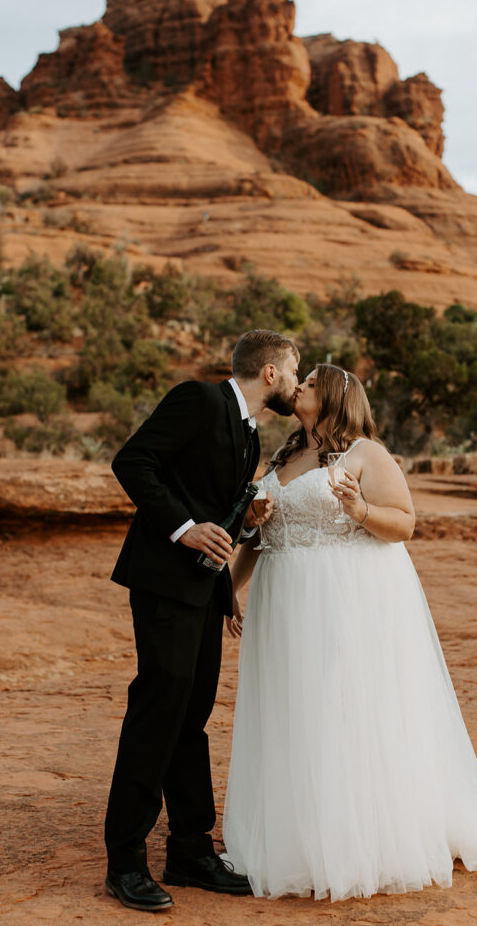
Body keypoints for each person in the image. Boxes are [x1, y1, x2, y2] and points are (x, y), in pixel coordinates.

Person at [223, 363, 477, 901]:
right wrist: (232, 587)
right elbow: (260, 538)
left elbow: (404, 522)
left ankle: (356, 841)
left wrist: (360, 508)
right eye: (300, 379)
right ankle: (295, 834)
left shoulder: (366, 454)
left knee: (342, 710)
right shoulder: (283, 457)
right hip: (283, 603)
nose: (300, 386)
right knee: (294, 711)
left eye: (310, 382)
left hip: (338, 601)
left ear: (333, 397)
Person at [104, 329, 299, 912]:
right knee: (158, 712)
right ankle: (125, 862)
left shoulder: (248, 431)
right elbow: (133, 461)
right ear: (270, 372)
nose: (295, 381)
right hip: (164, 584)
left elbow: (218, 508)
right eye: (294, 371)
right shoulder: (199, 399)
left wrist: (242, 521)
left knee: (191, 719)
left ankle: (190, 849)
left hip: (202, 592)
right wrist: (183, 526)